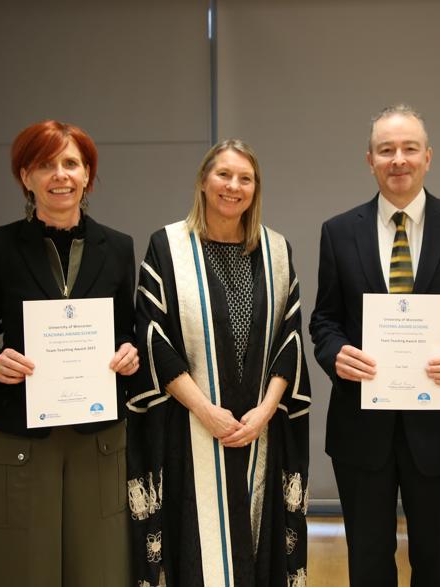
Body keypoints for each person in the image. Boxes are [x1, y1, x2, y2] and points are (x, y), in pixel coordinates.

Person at [0, 120, 139, 586]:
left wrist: (129, 354)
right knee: (23, 566)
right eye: (45, 164)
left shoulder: (117, 247)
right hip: (19, 431)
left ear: (88, 177)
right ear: (25, 176)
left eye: (71, 164)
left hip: (95, 431)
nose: (60, 175)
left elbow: (129, 331)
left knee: (99, 566)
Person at [309, 104, 440, 586]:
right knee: (367, 563)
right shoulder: (339, 231)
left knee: (434, 563)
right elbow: (324, 320)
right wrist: (335, 353)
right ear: (370, 160)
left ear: (428, 157)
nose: (398, 159)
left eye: (409, 149)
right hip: (361, 428)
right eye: (386, 150)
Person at [127, 139, 311, 587]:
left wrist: (264, 413)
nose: (233, 186)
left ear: (256, 188)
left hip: (258, 429)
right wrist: (206, 411)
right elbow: (154, 338)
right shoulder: (167, 247)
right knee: (194, 546)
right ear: (203, 182)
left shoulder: (277, 250)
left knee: (256, 543)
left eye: (245, 178)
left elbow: (290, 341)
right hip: (190, 427)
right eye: (223, 175)